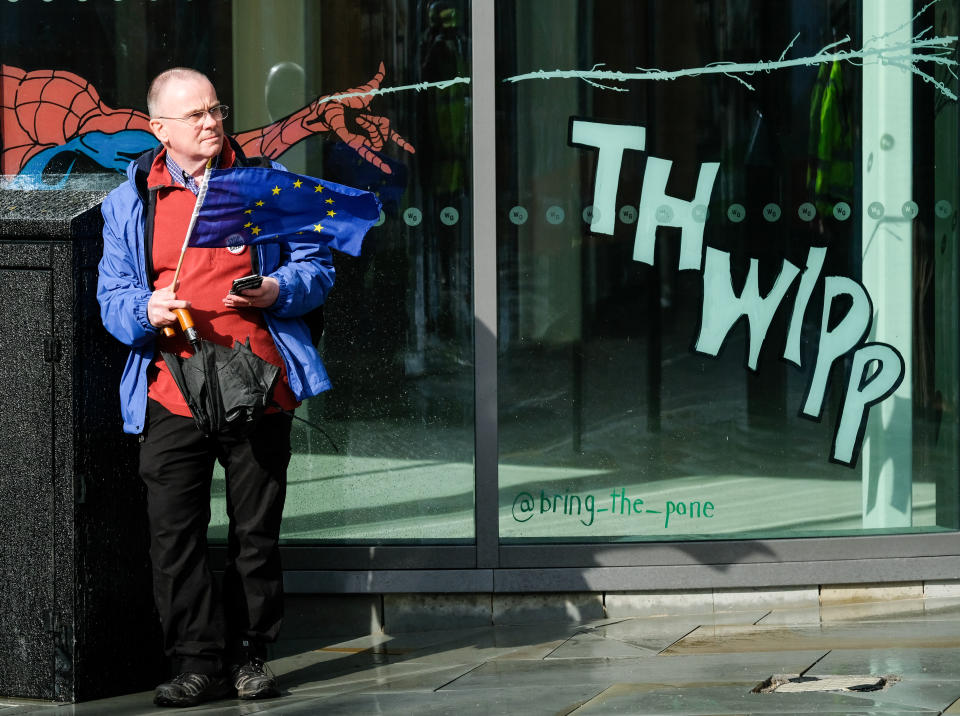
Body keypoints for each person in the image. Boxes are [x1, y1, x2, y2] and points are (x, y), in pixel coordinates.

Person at [96, 67, 334, 707]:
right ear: (160, 129)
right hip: (172, 386)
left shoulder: (267, 184)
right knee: (174, 535)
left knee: (255, 533)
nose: (210, 122)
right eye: (195, 115)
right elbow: (112, 301)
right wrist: (148, 308)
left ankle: (251, 657)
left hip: (257, 379)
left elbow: (317, 267)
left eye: (215, 110)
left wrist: (277, 290)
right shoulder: (131, 199)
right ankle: (195, 664)